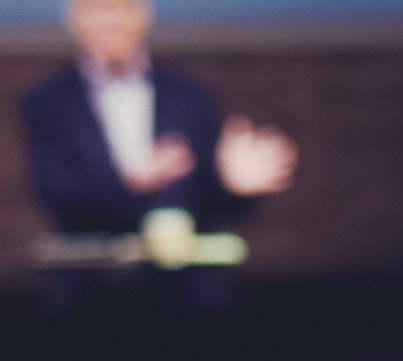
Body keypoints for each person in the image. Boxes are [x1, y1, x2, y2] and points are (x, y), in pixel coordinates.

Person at [22, 0, 297, 236]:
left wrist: (235, 186)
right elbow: (56, 195)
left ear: (146, 13)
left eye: (124, 7)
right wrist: (130, 180)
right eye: (97, 7)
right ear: (73, 17)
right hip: (92, 283)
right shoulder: (48, 101)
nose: (111, 20)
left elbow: (214, 202)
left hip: (183, 285)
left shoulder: (190, 95)